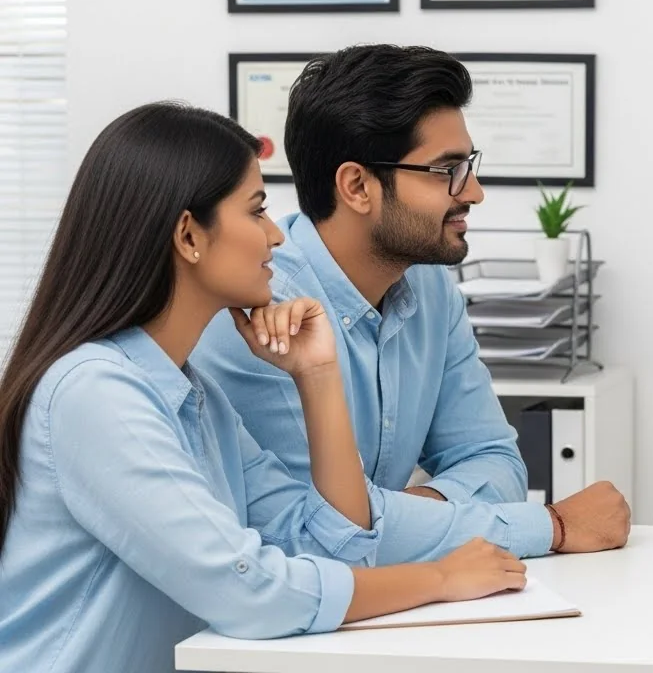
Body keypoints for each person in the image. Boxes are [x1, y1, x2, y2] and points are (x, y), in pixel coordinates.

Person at [0, 103, 528, 673]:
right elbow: (249, 591)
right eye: (257, 212)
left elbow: (333, 543)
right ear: (188, 235)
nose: (276, 235)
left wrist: (318, 378)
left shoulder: (196, 401)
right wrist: (440, 578)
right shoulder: (95, 394)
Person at [191, 44, 629, 563]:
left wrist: (407, 514)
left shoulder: (430, 287)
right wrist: (552, 526)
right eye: (447, 171)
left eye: (468, 166)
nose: (475, 192)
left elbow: (493, 461)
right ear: (357, 186)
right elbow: (321, 540)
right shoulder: (259, 312)